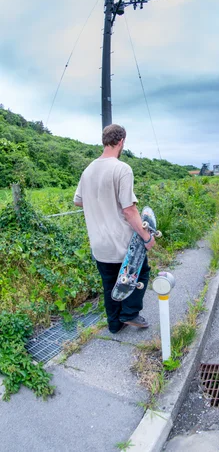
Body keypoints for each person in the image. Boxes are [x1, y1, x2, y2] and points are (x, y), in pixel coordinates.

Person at [74, 124, 155, 333]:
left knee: (110, 284)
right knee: (140, 274)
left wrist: (100, 203)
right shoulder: (122, 169)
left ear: (104, 141)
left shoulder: (88, 170)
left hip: (99, 244)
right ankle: (129, 313)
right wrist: (146, 237)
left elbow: (78, 201)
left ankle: (115, 325)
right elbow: (129, 211)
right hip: (121, 243)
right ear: (121, 142)